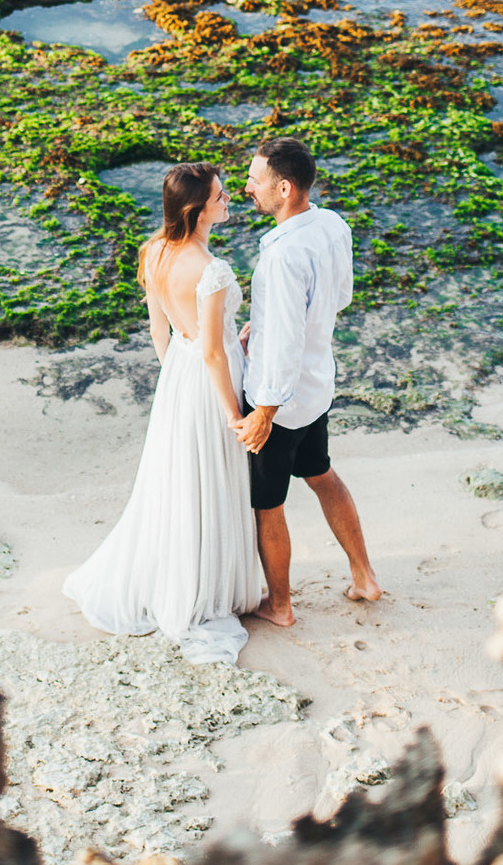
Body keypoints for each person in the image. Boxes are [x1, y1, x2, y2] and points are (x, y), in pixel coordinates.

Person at [61, 162, 267, 663]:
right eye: (221, 197)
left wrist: (179, 376)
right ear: (197, 209)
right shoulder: (211, 269)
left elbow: (162, 332)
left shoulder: (152, 252)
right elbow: (216, 353)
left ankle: (185, 575)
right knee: (212, 481)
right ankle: (207, 588)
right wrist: (234, 412)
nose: (228, 202)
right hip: (212, 378)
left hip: (179, 374)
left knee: (179, 482)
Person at [239, 137, 381, 625]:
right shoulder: (332, 224)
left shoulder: (281, 256)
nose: (246, 188)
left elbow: (282, 346)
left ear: (284, 186)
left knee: (267, 506)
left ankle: (280, 607)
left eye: (255, 180)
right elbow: (339, 296)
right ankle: (365, 577)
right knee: (322, 475)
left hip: (281, 400)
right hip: (318, 386)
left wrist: (265, 412)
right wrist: (268, 318)